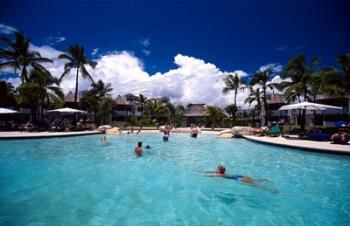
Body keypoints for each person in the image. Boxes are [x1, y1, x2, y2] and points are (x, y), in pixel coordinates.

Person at [204, 165, 277, 193]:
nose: (216, 170)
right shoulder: (223, 173)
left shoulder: (221, 175)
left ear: (219, 171)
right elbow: (213, 172)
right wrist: (205, 172)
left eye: (217, 169)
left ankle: (271, 190)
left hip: (239, 179)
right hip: (238, 175)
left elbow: (213, 175)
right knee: (256, 180)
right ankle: (266, 180)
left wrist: (206, 175)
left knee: (255, 185)